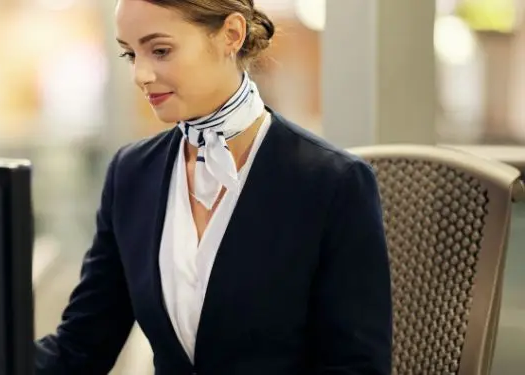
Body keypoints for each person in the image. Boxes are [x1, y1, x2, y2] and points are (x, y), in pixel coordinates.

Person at [35, 1, 393, 374]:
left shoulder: (332, 182)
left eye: (160, 50)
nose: (140, 74)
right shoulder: (131, 174)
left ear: (232, 35)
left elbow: (357, 367)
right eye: (130, 54)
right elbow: (80, 346)